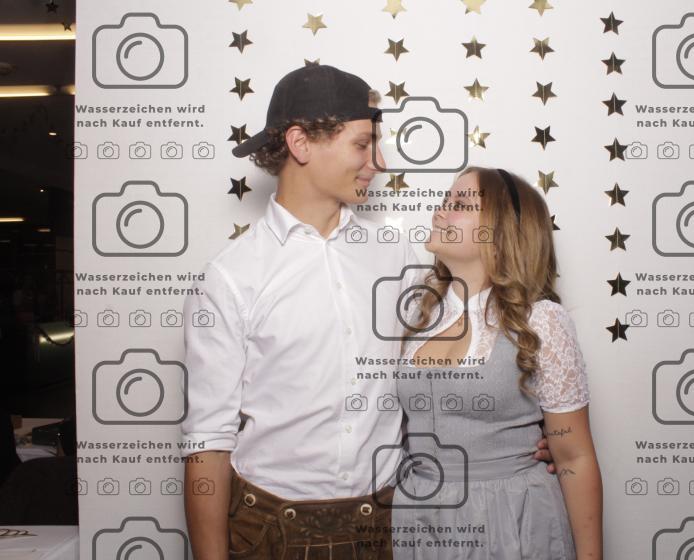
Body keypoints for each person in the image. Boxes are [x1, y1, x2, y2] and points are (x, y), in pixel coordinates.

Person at [180, 65, 557, 560]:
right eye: (363, 144)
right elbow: (207, 441)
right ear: (300, 143)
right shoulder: (230, 276)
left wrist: (535, 435)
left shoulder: (397, 254)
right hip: (270, 526)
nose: (377, 162)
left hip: (388, 521)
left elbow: (467, 346)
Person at [389, 167, 603, 559]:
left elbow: (574, 455)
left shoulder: (541, 321)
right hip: (421, 518)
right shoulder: (420, 314)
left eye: (459, 204)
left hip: (511, 516)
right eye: (445, 200)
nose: (439, 210)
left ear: (500, 232)